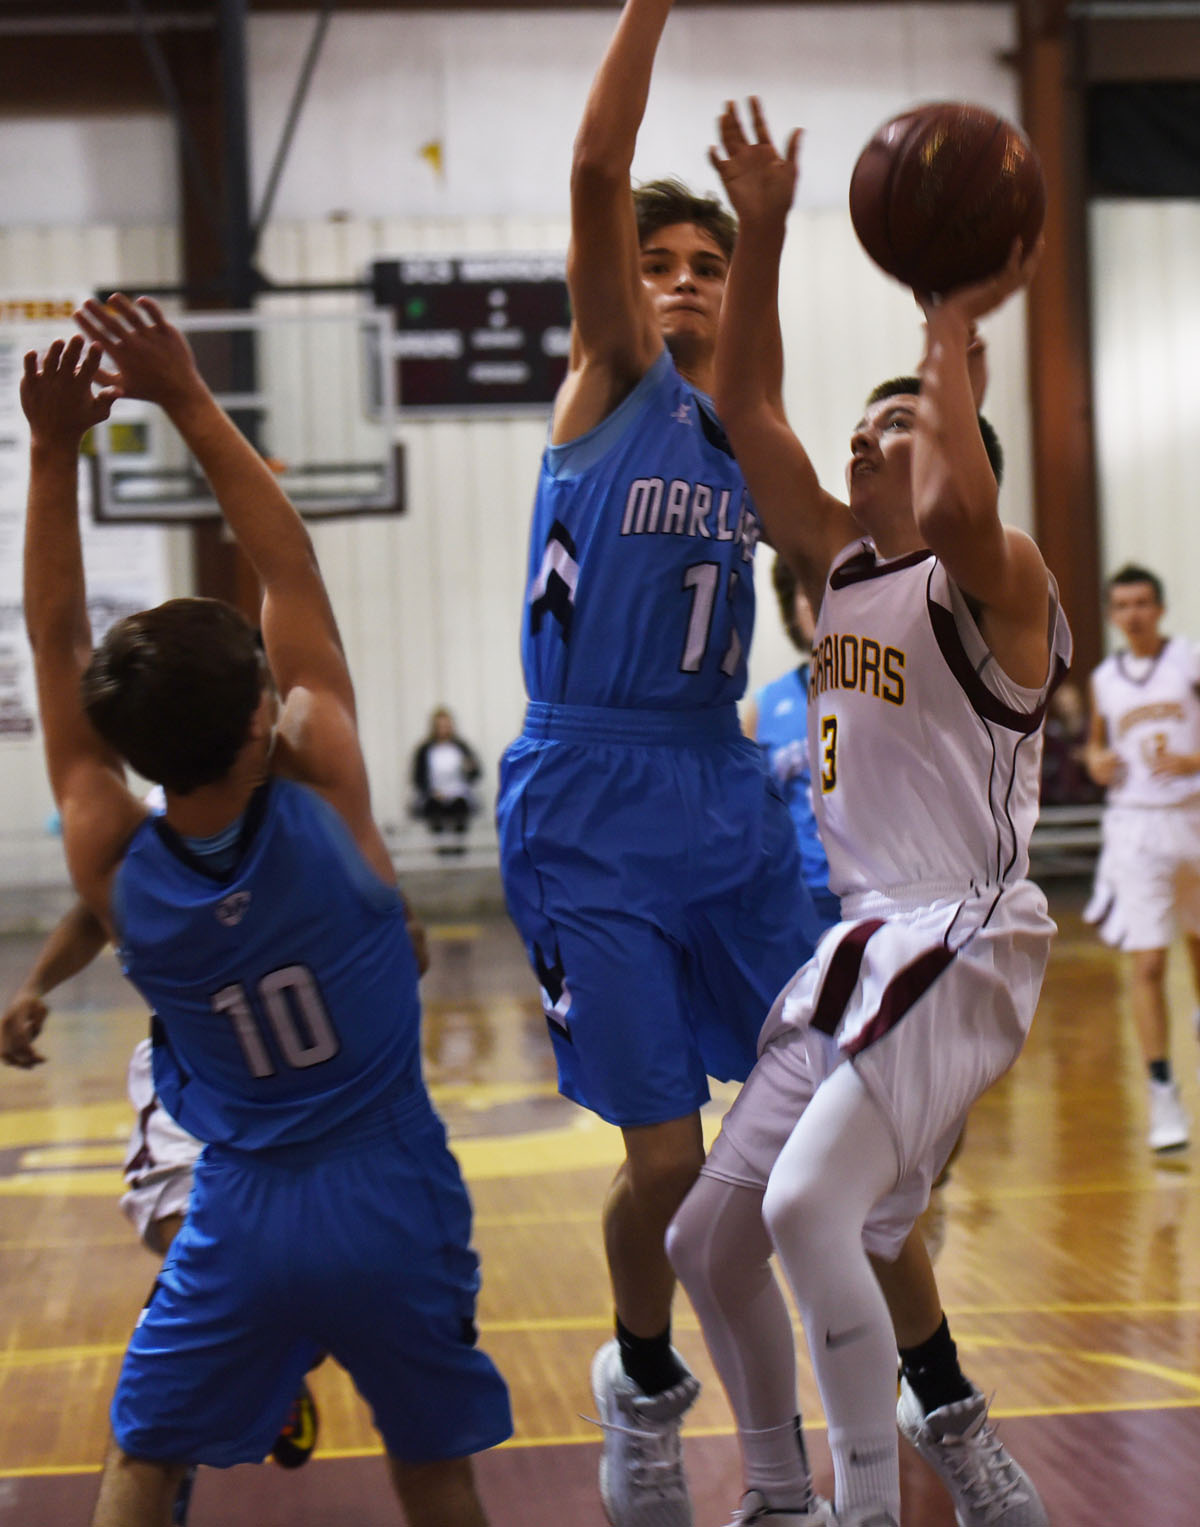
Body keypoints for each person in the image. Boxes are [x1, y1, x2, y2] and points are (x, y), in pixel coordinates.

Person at [18, 301, 510, 1527]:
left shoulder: (110, 858)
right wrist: (188, 396)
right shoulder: (329, 783)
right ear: (260, 720)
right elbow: (289, 566)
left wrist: (50, 452)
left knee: (145, 1461)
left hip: (240, 1208)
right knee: (434, 1471)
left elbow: (55, 637)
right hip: (391, 1187)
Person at [666, 100, 1065, 1527]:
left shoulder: (997, 579)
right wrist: (764, 229)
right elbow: (745, 411)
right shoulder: (839, 569)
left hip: (965, 936)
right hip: (863, 942)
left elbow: (958, 501)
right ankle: (780, 1494)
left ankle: (862, 1505)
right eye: (864, 422)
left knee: (803, 1210)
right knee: (709, 1237)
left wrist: (948, 322)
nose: (862, 435)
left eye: (895, 420)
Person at [495, 4, 826, 1523]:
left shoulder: (744, 423)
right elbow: (593, 170)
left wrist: (772, 235)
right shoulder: (609, 375)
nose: (686, 279)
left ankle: (857, 1411)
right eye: (662, 260)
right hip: (592, 797)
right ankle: (643, 1380)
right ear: (618, 286)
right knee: (671, 1165)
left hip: (718, 785)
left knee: (824, 1115)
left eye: (711, 262)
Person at [1083, 563, 1200, 1152]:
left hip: (1193, 816)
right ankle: (1162, 1092)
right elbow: (1095, 745)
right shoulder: (1104, 678)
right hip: (1135, 826)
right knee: (1149, 961)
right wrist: (1096, 762)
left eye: (1142, 603)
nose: (1133, 614)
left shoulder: (1189, 661)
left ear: (1160, 608)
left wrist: (1194, 761)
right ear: (1112, 614)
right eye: (1123, 604)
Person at [743, 556, 839, 928]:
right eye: (806, 587)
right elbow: (748, 817)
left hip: (876, 894)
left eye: (828, 587)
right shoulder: (764, 706)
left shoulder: (884, 691)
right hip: (796, 901)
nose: (816, 600)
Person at [411, 707, 482, 852]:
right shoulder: (425, 750)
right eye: (440, 726)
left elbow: (475, 774)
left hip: (458, 793)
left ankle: (458, 847)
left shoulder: (461, 747)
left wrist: (470, 768)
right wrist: (431, 791)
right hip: (434, 795)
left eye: (446, 725)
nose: (444, 729)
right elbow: (418, 778)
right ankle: (441, 847)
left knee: (460, 809)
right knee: (434, 810)